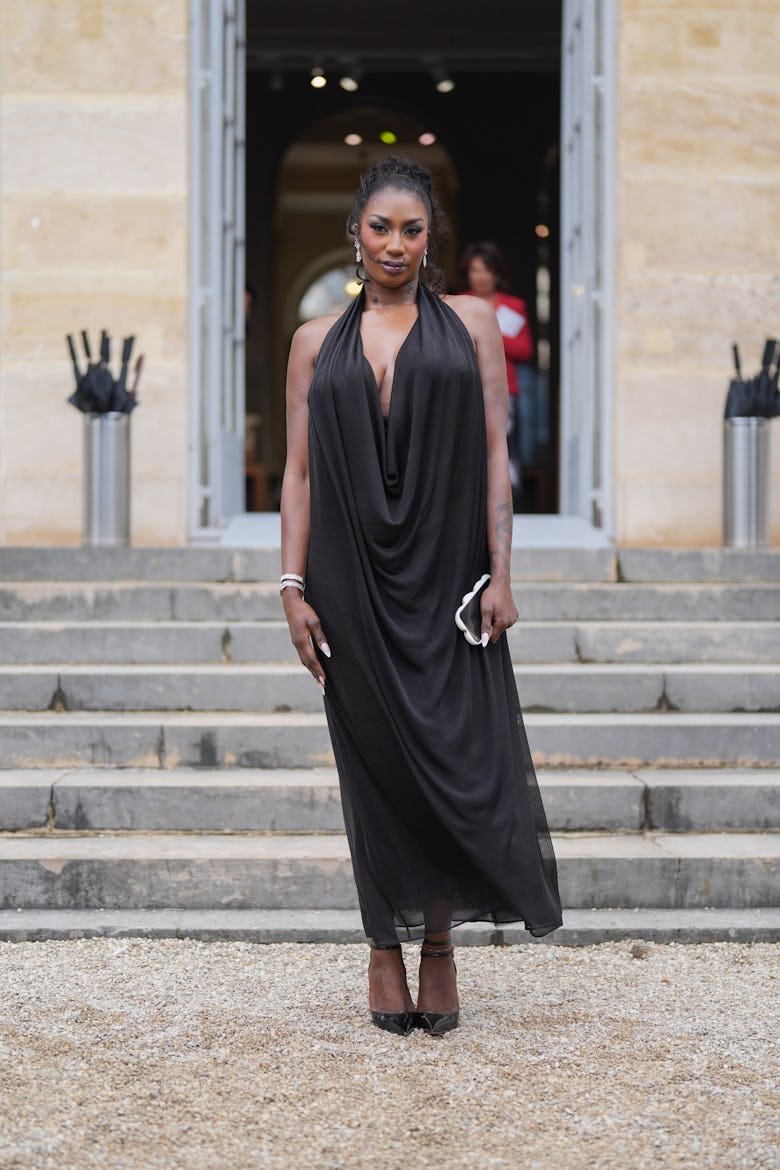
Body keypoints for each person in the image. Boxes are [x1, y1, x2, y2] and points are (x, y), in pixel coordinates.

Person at [280, 157, 561, 1038]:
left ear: (429, 236)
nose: (395, 244)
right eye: (379, 227)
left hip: (448, 583)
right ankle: (382, 947)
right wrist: (291, 586)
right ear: (354, 234)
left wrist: (503, 575)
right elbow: (296, 474)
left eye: (411, 228)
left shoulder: (472, 322)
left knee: (450, 762)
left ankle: (437, 947)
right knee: (375, 770)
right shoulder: (312, 341)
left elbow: (493, 457)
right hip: (348, 583)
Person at [461, 242, 533, 509]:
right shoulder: (461, 304)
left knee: (504, 448)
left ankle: (508, 507)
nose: (480, 276)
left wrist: (488, 335)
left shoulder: (513, 306)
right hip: (468, 388)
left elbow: (525, 350)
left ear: (497, 274)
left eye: (486, 270)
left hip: (505, 390)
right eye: (474, 270)